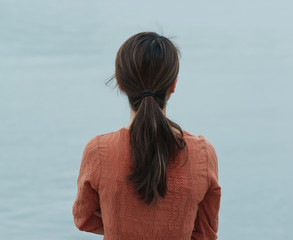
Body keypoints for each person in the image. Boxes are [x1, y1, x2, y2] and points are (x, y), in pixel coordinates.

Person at [72, 32, 221, 240]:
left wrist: (122, 227)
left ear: (122, 85)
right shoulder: (202, 154)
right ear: (173, 85)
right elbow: (205, 233)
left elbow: (84, 219)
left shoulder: (98, 151)